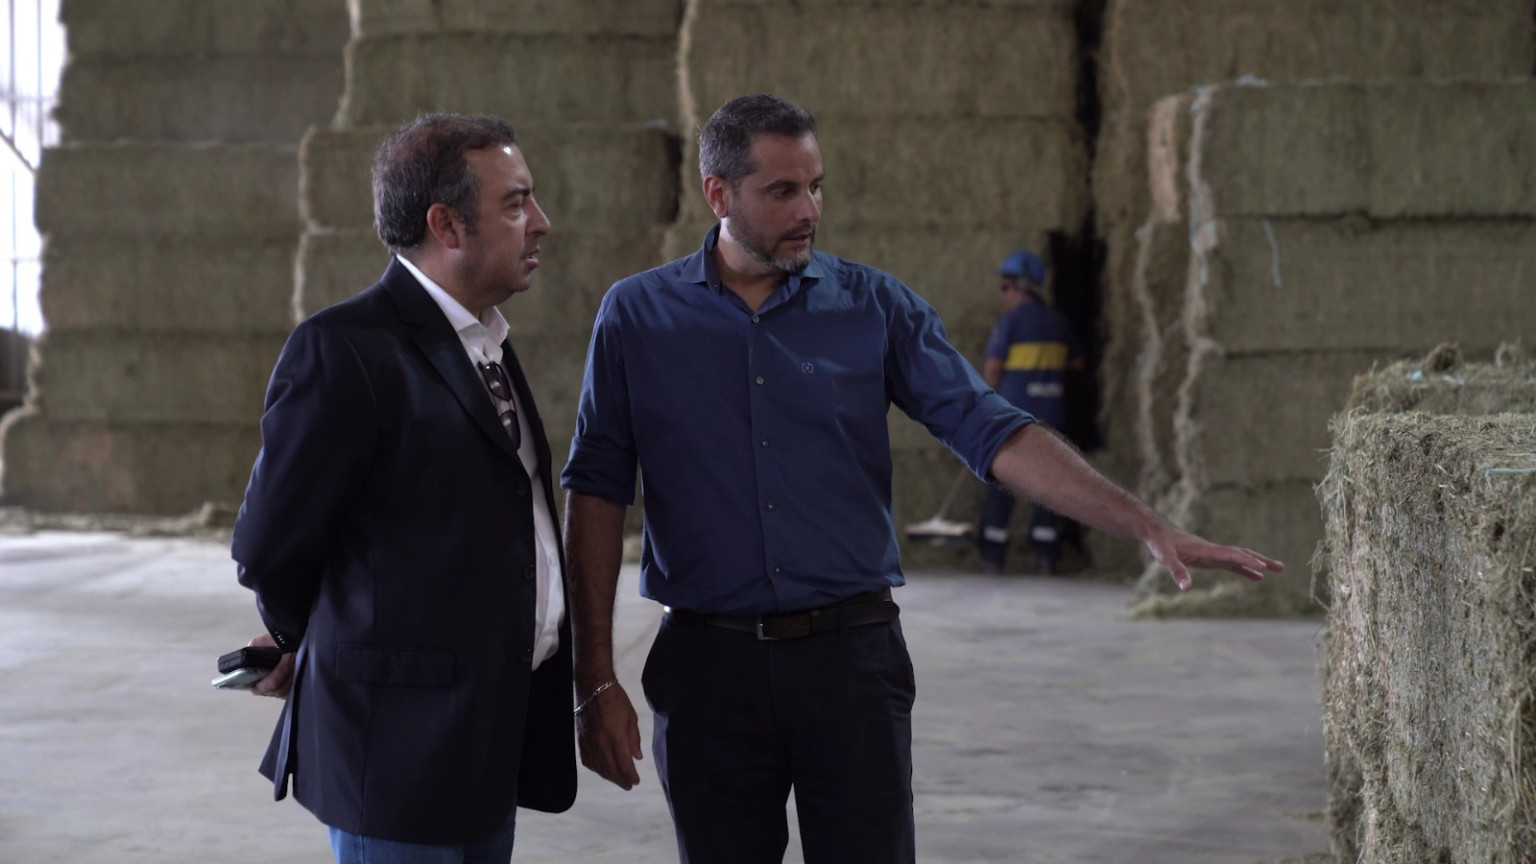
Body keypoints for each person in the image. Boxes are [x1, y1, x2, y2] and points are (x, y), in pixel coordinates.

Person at [560, 93, 1282, 864]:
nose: (810, 210)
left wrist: (1146, 524)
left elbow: (991, 427)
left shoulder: (875, 307)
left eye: (817, 186)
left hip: (851, 663)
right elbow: (597, 490)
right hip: (708, 670)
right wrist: (594, 679)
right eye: (783, 191)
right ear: (718, 193)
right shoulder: (637, 316)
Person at [231, 113, 575, 864]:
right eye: (516, 204)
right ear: (446, 225)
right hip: (395, 748)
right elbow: (268, 545)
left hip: (485, 738)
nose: (541, 223)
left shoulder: (485, 341)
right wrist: (302, 636)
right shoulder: (345, 349)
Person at [974, 249, 1087, 575]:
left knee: (1001, 481)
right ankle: (1046, 556)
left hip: (1012, 419)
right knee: (1049, 484)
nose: (1002, 295)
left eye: (1004, 287)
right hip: (1051, 417)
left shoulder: (1010, 321)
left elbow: (993, 366)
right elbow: (1078, 362)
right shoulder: (1058, 322)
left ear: (1020, 287)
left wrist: (983, 406)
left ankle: (993, 555)